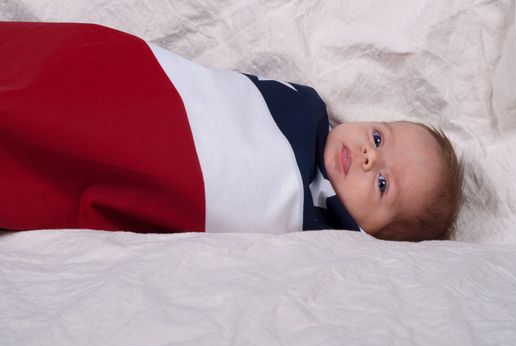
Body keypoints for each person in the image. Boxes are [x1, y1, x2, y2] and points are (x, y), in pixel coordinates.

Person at [0, 21, 463, 241]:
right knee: (84, 72)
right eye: (379, 139)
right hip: (157, 92)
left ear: (378, 234)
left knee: (69, 141)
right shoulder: (306, 106)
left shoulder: (321, 236)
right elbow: (220, 95)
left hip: (168, 168)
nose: (367, 156)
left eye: (382, 183)